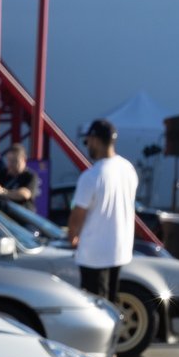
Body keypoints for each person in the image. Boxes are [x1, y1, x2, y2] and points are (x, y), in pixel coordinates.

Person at [67, 117, 138, 316]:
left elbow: (78, 214)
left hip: (94, 254)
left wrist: (72, 235)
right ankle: (112, 344)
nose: (87, 145)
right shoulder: (128, 169)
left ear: (96, 140)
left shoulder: (92, 176)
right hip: (120, 250)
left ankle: (100, 347)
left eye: (87, 141)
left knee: (95, 311)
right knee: (112, 306)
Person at [0, 141, 39, 207]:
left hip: (20, 215)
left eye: (14, 161)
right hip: (1, 215)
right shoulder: (3, 174)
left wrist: (3, 192)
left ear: (24, 160)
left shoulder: (29, 176)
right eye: (9, 160)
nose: (11, 164)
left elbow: (25, 194)